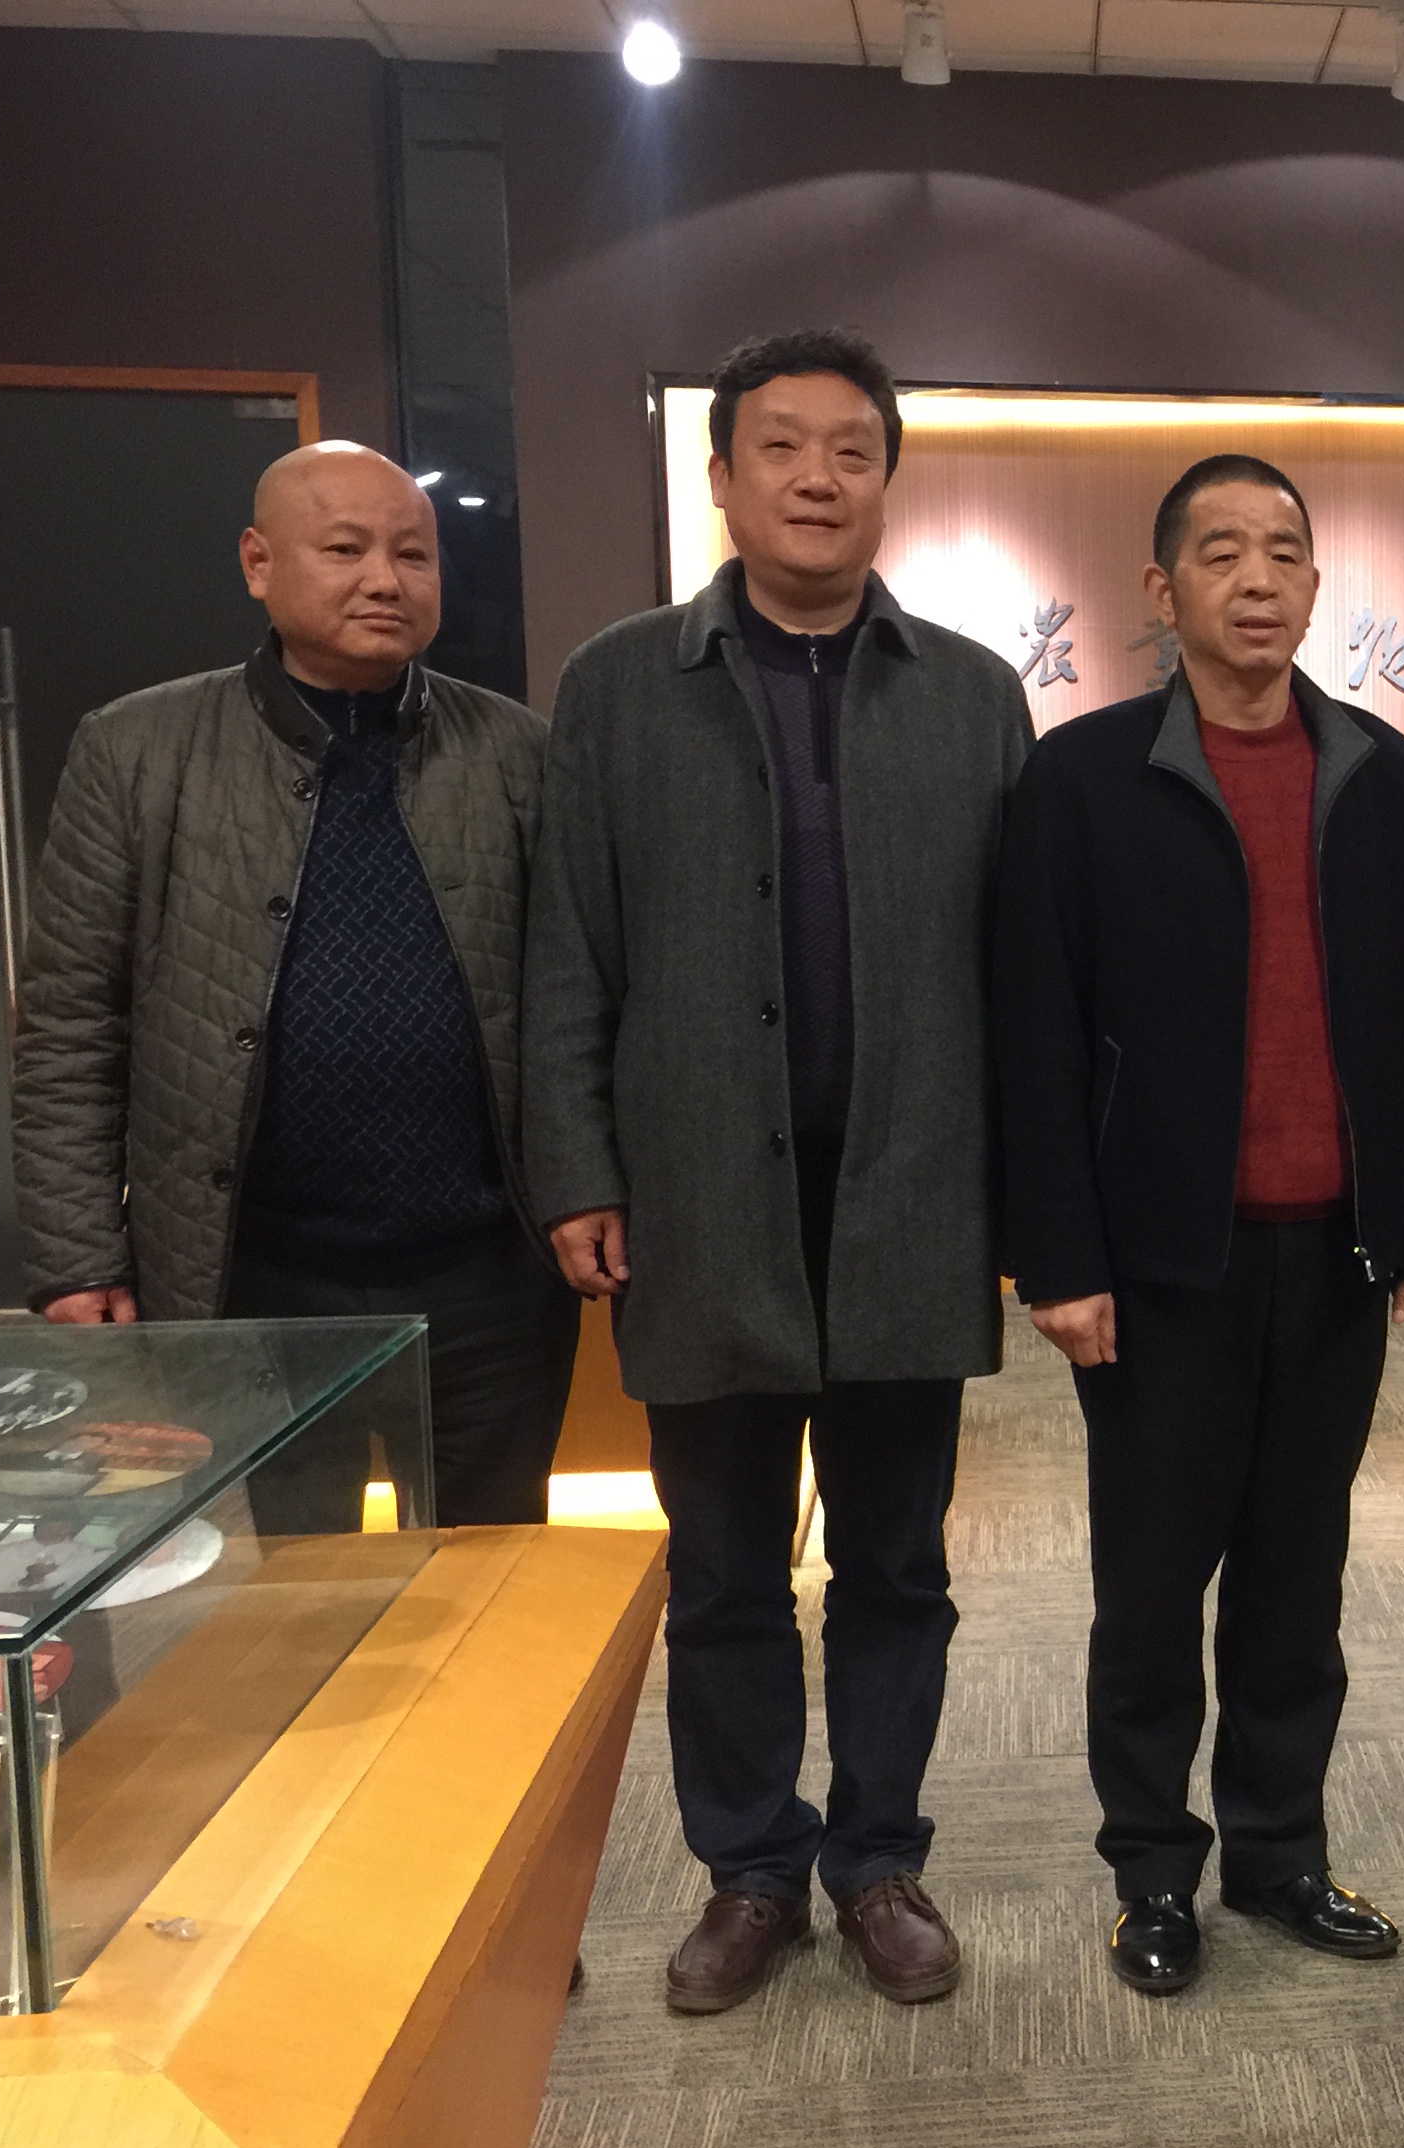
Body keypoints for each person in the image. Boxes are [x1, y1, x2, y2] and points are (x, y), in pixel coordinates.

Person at [523, 328, 1034, 2016]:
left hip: (908, 1199)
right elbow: (567, 950)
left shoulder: (969, 694)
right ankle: (749, 1868)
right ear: (723, 476)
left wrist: (1029, 1203)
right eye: (783, 448)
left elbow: (1023, 975)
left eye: (852, 451)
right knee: (726, 1570)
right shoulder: (618, 687)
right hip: (698, 1206)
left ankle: (878, 1859)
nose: (819, 478)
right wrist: (577, 1167)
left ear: (889, 480)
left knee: (897, 1567)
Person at [995, 456, 1404, 1996]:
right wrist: (1060, 1258)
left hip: (1332, 1254)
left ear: (1315, 587)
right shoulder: (1083, 779)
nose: (1257, 581)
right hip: (1159, 1267)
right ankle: (1151, 1871)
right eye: (1220, 554)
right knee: (1150, 1588)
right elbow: (1036, 1032)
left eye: (1283, 554)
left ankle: (1279, 1853)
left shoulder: (1382, 777)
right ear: (1162, 589)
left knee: (1296, 1580)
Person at [15, 441, 574, 1530]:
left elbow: (574, 1000)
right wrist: (75, 1255)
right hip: (252, 1277)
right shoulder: (135, 751)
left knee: (488, 1580)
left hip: (486, 1278)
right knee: (289, 1588)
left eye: (413, 554)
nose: (385, 580)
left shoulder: (517, 752)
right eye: (347, 550)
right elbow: (69, 1023)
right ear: (258, 562)